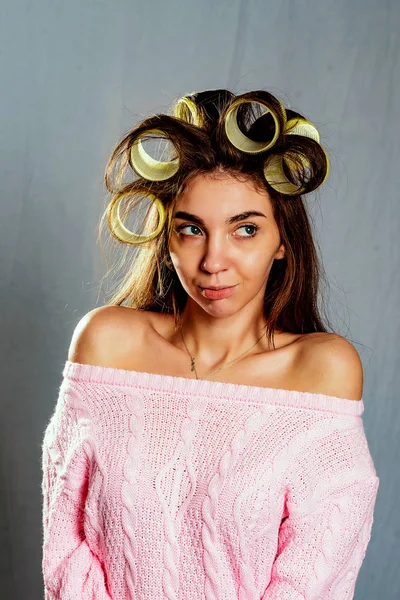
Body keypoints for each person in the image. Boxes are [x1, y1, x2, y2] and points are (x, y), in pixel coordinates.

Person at [41, 89, 380, 599]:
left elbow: (316, 574)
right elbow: (65, 546)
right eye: (191, 229)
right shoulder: (107, 343)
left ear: (283, 240)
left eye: (244, 229)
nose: (213, 261)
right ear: (167, 238)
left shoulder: (321, 369)